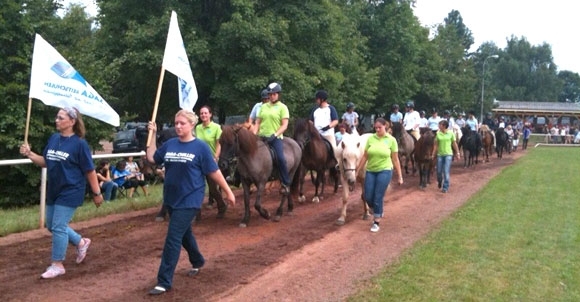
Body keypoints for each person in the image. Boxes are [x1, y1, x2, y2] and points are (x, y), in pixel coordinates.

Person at [145, 110, 235, 296]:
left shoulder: (200, 148)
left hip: (190, 199)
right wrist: (152, 134)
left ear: (192, 125)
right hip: (171, 198)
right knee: (184, 234)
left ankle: (164, 281)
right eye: (176, 123)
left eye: (182, 123)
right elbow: (152, 158)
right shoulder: (170, 144)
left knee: (173, 238)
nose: (178, 126)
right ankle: (198, 260)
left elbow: (213, 172)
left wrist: (228, 191)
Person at [19, 107, 103, 279]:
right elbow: (45, 162)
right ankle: (81, 242)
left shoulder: (80, 144)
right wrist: (29, 154)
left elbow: (90, 171)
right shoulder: (54, 138)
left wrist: (96, 193)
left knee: (58, 226)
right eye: (57, 117)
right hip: (54, 189)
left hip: (71, 190)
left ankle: (57, 264)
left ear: (72, 122)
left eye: (60, 117)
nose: (56, 120)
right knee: (52, 225)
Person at [356, 118, 403, 233]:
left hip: (385, 170)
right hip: (371, 170)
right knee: (367, 196)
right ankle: (378, 209)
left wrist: (400, 176)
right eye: (375, 127)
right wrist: (357, 170)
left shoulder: (391, 140)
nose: (377, 129)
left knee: (378, 196)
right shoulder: (371, 139)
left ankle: (376, 221)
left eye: (379, 127)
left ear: (385, 127)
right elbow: (365, 156)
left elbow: (395, 159)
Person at [253, 82, 291, 194]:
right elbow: (258, 122)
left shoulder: (283, 108)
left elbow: (284, 125)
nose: (271, 96)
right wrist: (254, 134)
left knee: (280, 158)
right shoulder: (263, 107)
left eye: (274, 94)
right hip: (261, 137)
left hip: (275, 138)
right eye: (270, 94)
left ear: (278, 94)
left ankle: (285, 183)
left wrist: (274, 135)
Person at [195, 105, 226, 213]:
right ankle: (196, 212)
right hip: (199, 161)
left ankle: (221, 205)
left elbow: (219, 144)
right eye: (201, 113)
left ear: (210, 114)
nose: (203, 115)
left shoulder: (216, 127)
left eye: (205, 113)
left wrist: (215, 157)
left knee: (213, 188)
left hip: (211, 160)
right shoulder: (198, 128)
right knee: (197, 186)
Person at [433, 120, 460, 193]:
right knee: (438, 171)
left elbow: (454, 144)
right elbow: (436, 145)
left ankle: (445, 187)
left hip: (448, 154)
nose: (438, 126)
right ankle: (439, 180)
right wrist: (433, 154)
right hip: (440, 155)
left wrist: (457, 152)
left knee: (446, 171)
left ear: (444, 126)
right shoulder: (438, 134)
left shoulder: (451, 133)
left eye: (440, 125)